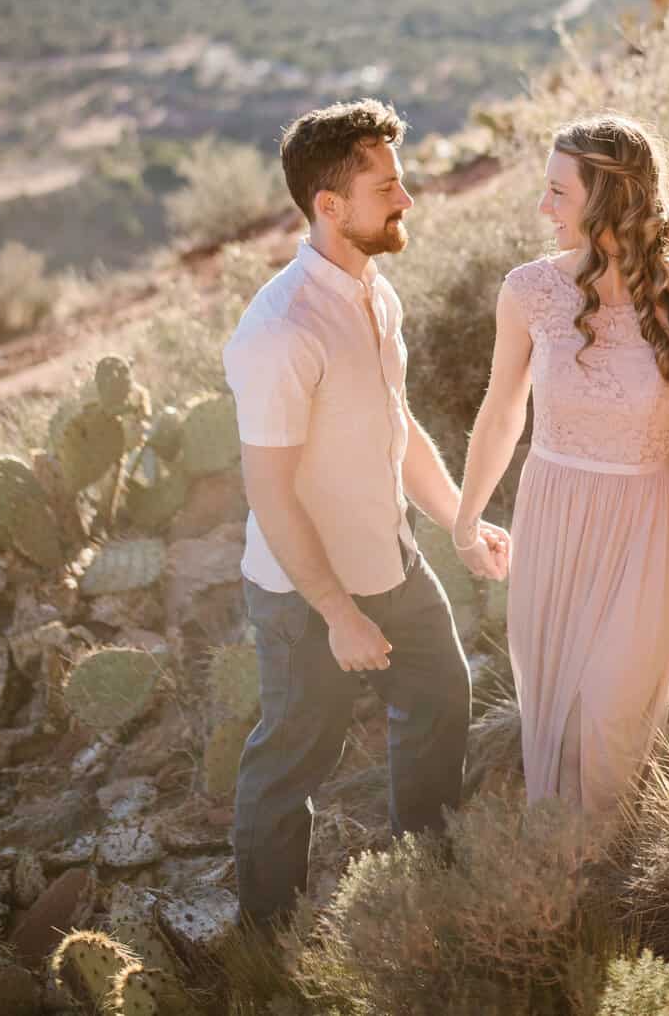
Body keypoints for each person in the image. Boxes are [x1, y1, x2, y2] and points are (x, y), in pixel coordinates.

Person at [223, 98, 510, 928]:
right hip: (303, 593)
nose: (407, 199)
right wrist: (336, 612)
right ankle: (266, 937)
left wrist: (458, 519)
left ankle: (427, 880)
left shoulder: (375, 294)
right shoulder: (279, 330)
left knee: (441, 698)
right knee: (292, 763)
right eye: (388, 185)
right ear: (330, 206)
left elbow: (399, 425)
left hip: (392, 561)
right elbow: (270, 494)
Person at [452, 113, 669, 814]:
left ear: (608, 198)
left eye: (557, 193)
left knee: (611, 715)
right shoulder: (528, 292)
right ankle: (565, 888)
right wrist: (466, 519)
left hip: (646, 527)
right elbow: (501, 413)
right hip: (553, 518)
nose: (542, 209)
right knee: (558, 718)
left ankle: (607, 870)